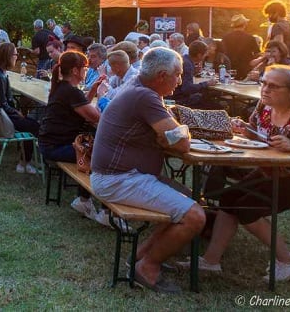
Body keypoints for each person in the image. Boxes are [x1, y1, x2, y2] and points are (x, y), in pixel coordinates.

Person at [195, 65, 290, 283]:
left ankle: (288, 261)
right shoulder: (264, 106)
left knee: (248, 209)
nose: (265, 89)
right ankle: (211, 260)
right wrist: (244, 129)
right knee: (228, 198)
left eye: (273, 86)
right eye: (264, 83)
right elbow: (257, 135)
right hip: (274, 170)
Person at [90, 47, 206, 294]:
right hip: (117, 179)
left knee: (189, 198)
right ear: (162, 75)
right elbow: (182, 142)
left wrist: (170, 133)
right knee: (194, 215)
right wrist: (177, 132)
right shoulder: (145, 96)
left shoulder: (137, 87)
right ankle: (148, 268)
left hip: (117, 175)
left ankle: (141, 256)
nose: (180, 81)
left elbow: (171, 136)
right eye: (178, 75)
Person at [37, 51, 103, 223]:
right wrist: (102, 97)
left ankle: (85, 200)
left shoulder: (62, 87)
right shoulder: (71, 91)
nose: (86, 71)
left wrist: (93, 90)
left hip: (49, 143)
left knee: (94, 148)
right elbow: (96, 117)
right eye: (85, 68)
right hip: (56, 148)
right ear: (75, 70)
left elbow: (81, 107)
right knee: (102, 157)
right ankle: (101, 208)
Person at [0, 43, 40, 174]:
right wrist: (16, 112)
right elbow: (1, 104)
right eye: (15, 54)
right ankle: (24, 163)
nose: (17, 57)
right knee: (34, 126)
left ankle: (26, 159)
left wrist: (16, 111)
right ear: (7, 56)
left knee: (31, 121)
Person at [170, 40, 217, 107]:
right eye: (205, 54)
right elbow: (186, 88)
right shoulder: (188, 64)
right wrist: (206, 83)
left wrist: (194, 72)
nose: (205, 56)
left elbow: (183, 79)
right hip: (178, 99)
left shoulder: (184, 59)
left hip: (172, 95)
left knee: (203, 96)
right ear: (199, 55)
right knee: (210, 102)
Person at [221, 13, 259, 79]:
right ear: (245, 24)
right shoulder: (250, 38)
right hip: (245, 71)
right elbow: (257, 53)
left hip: (229, 70)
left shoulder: (225, 37)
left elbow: (222, 53)